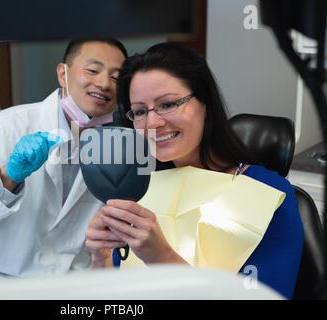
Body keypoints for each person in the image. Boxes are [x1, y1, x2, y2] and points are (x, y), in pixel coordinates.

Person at [85, 42, 304, 299]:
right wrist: (100, 260)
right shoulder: (140, 188)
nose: (153, 122)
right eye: (140, 111)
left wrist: (161, 257)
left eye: (168, 104)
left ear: (205, 104)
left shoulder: (268, 195)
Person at [0, 38, 127, 284]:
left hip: (64, 285)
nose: (104, 83)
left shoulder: (117, 147)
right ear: (62, 74)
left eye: (116, 78)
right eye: (92, 70)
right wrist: (8, 179)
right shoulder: (3, 128)